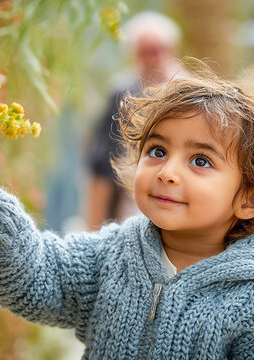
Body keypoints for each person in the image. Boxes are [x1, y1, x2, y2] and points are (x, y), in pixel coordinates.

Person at [0, 63, 254, 359]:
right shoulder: (112, 254)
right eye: (157, 151)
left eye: (200, 160)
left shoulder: (253, 300)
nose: (167, 172)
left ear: (248, 200)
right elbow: (40, 276)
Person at [86, 11, 187, 230]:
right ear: (133, 54)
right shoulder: (122, 92)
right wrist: (93, 228)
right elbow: (103, 163)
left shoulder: (188, 92)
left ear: (171, 50)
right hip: (129, 202)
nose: (152, 58)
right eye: (145, 52)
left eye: (157, 50)